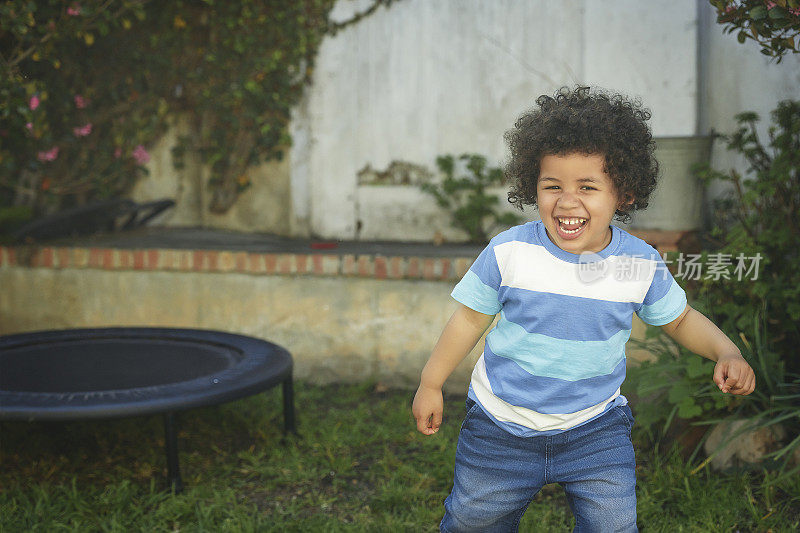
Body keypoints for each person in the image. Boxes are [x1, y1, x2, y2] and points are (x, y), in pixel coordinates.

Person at [411, 86, 756, 533]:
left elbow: (681, 319)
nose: (567, 201)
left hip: (595, 429)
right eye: (552, 186)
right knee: (473, 523)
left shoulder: (638, 264)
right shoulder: (509, 251)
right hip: (501, 427)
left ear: (624, 193)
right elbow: (468, 320)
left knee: (612, 526)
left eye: (587, 187)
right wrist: (431, 382)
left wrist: (727, 352)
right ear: (531, 185)